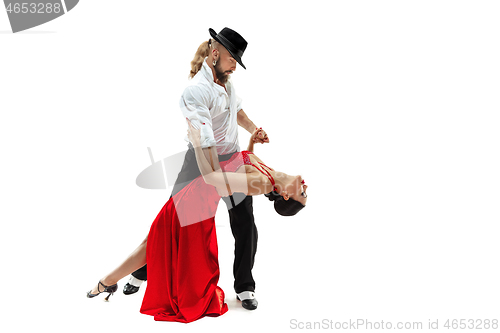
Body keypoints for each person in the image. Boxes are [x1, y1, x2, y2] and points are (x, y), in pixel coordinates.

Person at [86, 124, 308, 322]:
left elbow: (213, 178)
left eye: (303, 193)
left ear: (286, 196)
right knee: (155, 239)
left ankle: (106, 281)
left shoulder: (261, 184)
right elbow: (245, 158)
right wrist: (253, 139)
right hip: (193, 194)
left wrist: (197, 145)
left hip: (196, 201)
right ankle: (108, 281)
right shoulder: (269, 175)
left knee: (155, 240)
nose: (305, 187)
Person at [122, 27, 268, 311]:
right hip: (201, 161)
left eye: (237, 60)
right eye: (231, 59)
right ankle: (142, 272)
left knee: (245, 224)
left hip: (233, 159)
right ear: (215, 54)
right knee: (173, 220)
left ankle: (245, 286)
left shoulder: (227, 82)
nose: (234, 65)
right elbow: (205, 138)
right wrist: (214, 172)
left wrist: (254, 129)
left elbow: (235, 111)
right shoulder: (196, 91)